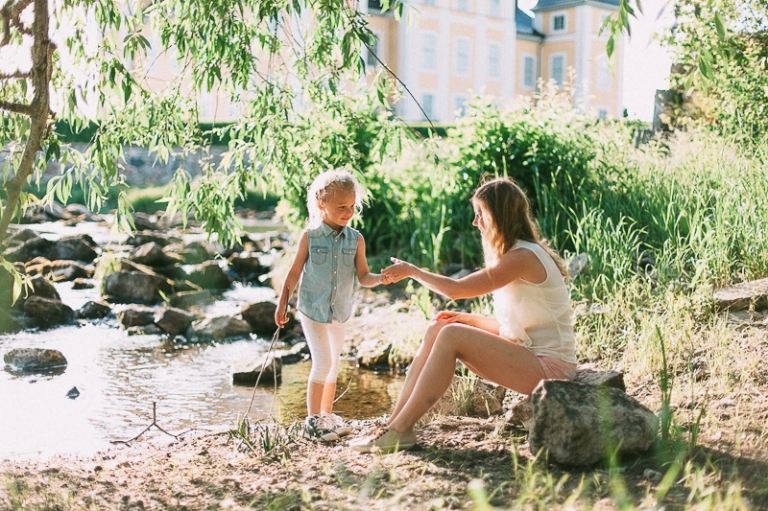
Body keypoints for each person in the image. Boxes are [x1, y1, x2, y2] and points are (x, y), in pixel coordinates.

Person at [351, 177, 577, 453]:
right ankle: (394, 425)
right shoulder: (517, 254)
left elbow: (456, 290)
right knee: (441, 327)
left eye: (480, 215)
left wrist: (413, 271)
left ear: (498, 216)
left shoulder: (522, 257)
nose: (475, 222)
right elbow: (515, 329)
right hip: (532, 359)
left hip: (551, 370)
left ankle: (402, 428)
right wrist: (466, 319)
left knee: (451, 335)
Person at [275, 169, 391, 427]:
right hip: (312, 309)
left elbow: (363, 276)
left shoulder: (356, 239)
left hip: (339, 310)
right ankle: (313, 421)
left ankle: (326, 416)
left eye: (351, 206)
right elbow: (294, 273)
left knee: (334, 363)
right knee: (323, 360)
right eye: (341, 206)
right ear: (321, 204)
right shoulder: (310, 237)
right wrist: (282, 303)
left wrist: (382, 278)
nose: (348, 212)